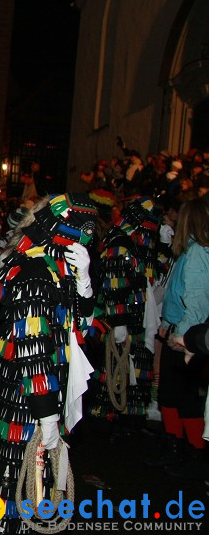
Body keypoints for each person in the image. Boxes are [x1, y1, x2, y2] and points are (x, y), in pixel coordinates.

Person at [0, 194, 99, 534]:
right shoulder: (35, 272)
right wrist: (46, 414)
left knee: (44, 487)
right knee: (18, 486)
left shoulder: (59, 269)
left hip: (50, 397)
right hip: (26, 403)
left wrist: (85, 283)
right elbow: (31, 352)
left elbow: (83, 328)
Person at [90, 197, 169, 423]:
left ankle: (128, 416)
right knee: (116, 367)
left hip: (138, 317)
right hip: (122, 318)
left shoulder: (138, 243)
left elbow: (153, 271)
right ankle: (108, 417)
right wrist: (119, 321)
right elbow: (112, 283)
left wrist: (163, 246)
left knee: (135, 368)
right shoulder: (119, 243)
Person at [149, 197, 209, 478]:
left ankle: (189, 453)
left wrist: (181, 336)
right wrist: (168, 323)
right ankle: (180, 448)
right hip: (181, 329)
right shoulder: (193, 251)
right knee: (175, 397)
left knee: (180, 399)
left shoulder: (197, 253)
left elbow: (195, 300)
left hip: (188, 336)